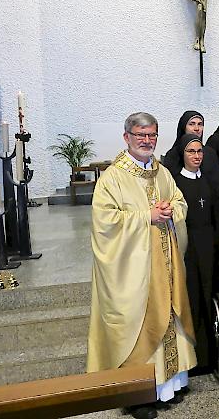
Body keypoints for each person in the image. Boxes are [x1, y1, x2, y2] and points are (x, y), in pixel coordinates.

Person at [87, 112, 196, 419]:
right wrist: (145, 217)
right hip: (135, 272)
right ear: (127, 138)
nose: (147, 141)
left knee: (169, 316)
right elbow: (104, 222)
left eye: (152, 136)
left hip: (166, 264)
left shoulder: (162, 172)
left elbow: (180, 201)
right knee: (139, 321)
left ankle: (171, 383)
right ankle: (139, 394)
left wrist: (170, 209)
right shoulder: (113, 178)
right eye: (140, 136)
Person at [172, 133, 218, 372]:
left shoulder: (209, 180)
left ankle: (211, 355)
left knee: (209, 295)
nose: (197, 156)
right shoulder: (176, 182)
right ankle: (193, 357)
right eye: (191, 152)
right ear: (183, 154)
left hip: (209, 245)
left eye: (200, 151)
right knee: (192, 298)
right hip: (188, 249)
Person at [163, 110, 219, 192]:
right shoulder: (173, 155)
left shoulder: (210, 153)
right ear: (183, 127)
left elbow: (216, 185)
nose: (197, 128)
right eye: (191, 124)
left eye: (200, 124)